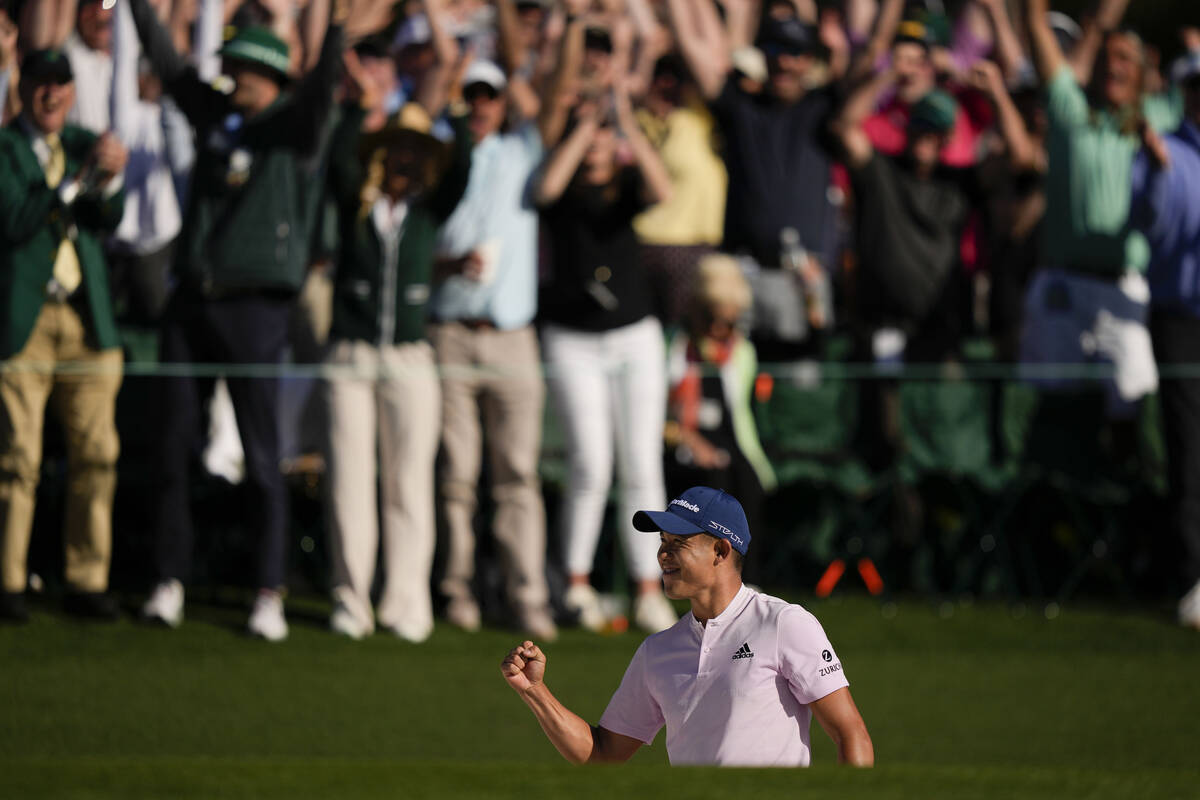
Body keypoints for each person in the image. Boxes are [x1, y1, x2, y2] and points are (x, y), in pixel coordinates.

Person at [132, 0, 345, 641]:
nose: (235, 77)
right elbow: (168, 65)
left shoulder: (292, 128)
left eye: (248, 68)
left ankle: (267, 591)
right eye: (231, 66)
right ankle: (167, 581)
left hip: (259, 309)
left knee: (260, 458)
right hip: (194, 300)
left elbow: (320, 95)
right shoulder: (214, 114)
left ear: (274, 77)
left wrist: (334, 29)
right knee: (174, 447)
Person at [500, 486, 874, 767]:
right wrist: (534, 690)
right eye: (662, 542)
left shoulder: (783, 623)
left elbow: (849, 733)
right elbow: (602, 753)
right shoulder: (656, 651)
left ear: (721, 552)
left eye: (678, 543)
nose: (663, 554)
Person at [322, 52, 472, 642]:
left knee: (409, 482)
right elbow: (336, 162)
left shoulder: (428, 210)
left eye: (417, 148)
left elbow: (461, 171)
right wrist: (358, 109)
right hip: (350, 358)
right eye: (398, 145)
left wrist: (456, 107)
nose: (406, 156)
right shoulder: (355, 204)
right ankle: (349, 599)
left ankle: (406, 602)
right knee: (348, 482)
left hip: (410, 358)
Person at [536, 84, 678, 635]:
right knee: (590, 464)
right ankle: (575, 584)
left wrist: (625, 124)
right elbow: (548, 187)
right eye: (585, 129)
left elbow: (662, 189)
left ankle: (650, 586)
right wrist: (584, 125)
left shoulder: (626, 188)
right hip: (573, 339)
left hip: (634, 337)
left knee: (641, 464)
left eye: (602, 132)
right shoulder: (560, 187)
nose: (595, 141)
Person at [427, 48, 557, 638]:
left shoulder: (521, 151)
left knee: (517, 475)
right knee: (457, 474)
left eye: (490, 96)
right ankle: (457, 591)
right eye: (472, 95)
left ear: (504, 104)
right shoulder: (438, 151)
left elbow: (549, 105)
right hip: (450, 333)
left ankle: (526, 596)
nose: (480, 106)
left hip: (512, 338)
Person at [0, 48, 128, 622]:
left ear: (73, 91)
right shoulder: (5, 148)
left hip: (85, 318)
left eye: (62, 84)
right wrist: (77, 181)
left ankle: (86, 579)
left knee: (97, 453)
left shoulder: (83, 143)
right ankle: (6, 582)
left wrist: (109, 175)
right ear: (23, 88)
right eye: (41, 84)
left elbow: (109, 219)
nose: (52, 95)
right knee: (15, 456)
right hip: (24, 319)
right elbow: (16, 221)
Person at [1129, 53, 1200, 631]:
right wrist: (1156, 173)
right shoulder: (1166, 153)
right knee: (1189, 450)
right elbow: (1151, 227)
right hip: (1181, 318)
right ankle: (1194, 578)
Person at [663, 255, 775, 581]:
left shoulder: (742, 353)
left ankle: (743, 580)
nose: (716, 329)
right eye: (709, 317)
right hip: (678, 445)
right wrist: (686, 438)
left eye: (727, 322)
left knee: (744, 481)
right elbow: (658, 415)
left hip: (730, 444)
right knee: (712, 485)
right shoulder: (672, 345)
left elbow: (742, 418)